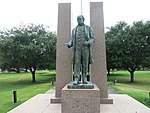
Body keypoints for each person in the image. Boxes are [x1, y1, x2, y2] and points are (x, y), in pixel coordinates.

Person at [65, 15, 95, 85]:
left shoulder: (88, 28)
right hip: (77, 49)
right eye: (77, 19)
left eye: (80, 19)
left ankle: (84, 78)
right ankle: (76, 78)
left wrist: (88, 42)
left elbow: (93, 38)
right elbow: (72, 41)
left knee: (85, 64)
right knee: (77, 64)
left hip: (85, 49)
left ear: (83, 19)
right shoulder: (74, 30)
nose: (79, 20)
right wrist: (69, 44)